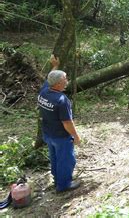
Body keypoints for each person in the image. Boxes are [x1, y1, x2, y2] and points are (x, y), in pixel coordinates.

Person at [38, 55, 81, 192]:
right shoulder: (62, 100)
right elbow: (67, 122)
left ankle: (57, 179)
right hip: (61, 136)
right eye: (64, 79)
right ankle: (63, 186)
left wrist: (55, 65)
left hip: (48, 134)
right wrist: (75, 136)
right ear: (57, 84)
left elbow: (49, 78)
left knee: (55, 157)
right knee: (66, 160)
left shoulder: (44, 91)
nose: (67, 81)